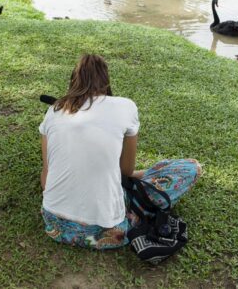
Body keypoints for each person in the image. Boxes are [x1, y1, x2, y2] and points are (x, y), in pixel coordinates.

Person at [39, 54, 202, 249]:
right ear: (106, 81)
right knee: (191, 167)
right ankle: (136, 210)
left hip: (53, 224)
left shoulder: (54, 110)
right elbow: (125, 171)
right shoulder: (125, 106)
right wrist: (139, 175)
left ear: (73, 81)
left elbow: (46, 177)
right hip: (111, 234)